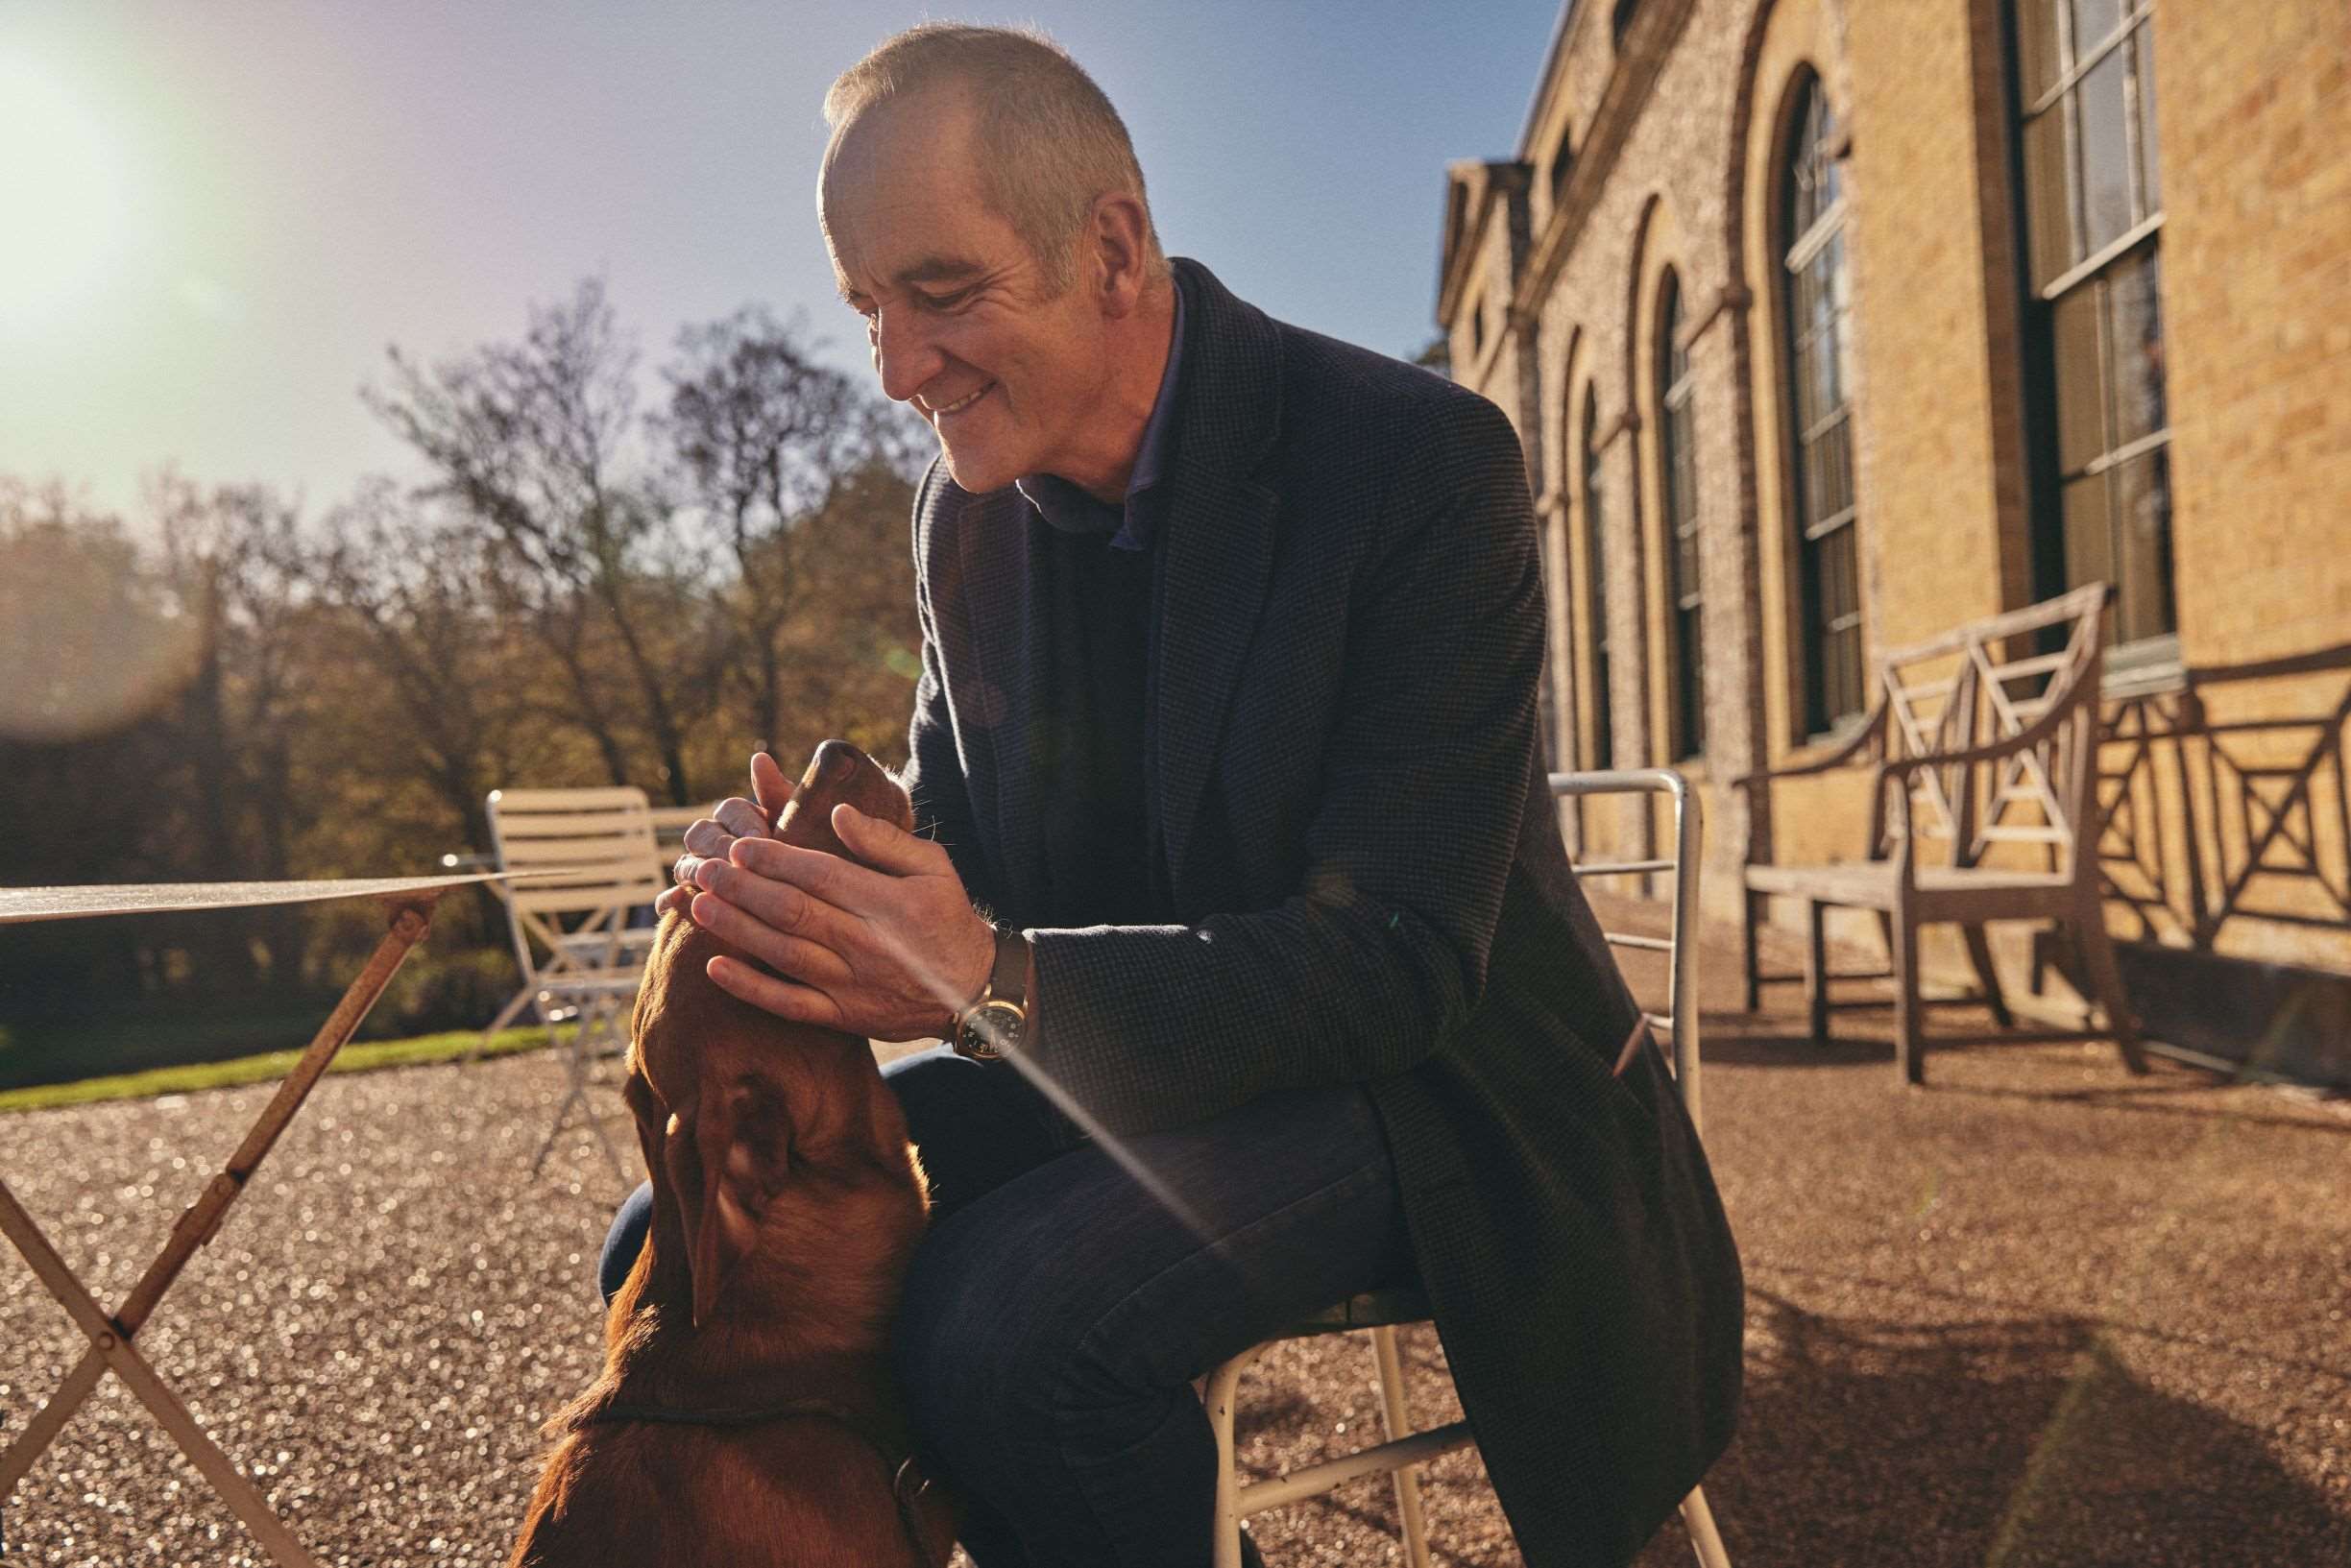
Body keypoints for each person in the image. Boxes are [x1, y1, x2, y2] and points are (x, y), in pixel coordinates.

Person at [599, 23, 1742, 1567]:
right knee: (677, 1249)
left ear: (1113, 249)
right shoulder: (963, 516)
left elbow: (1404, 965)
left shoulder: (1422, 463)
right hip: (1143, 1065)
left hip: (1439, 1091)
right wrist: (815, 885)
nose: (898, 370)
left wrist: (988, 973)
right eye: (870, 307)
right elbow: (967, 847)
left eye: (943, 292)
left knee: (1006, 1334)